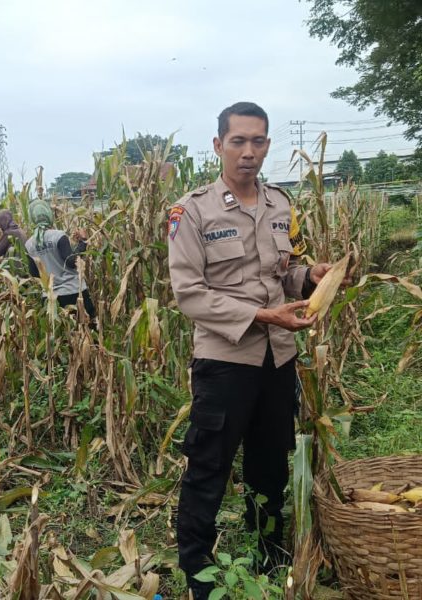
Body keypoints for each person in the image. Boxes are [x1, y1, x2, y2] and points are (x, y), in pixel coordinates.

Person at [167, 102, 333, 600]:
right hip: (225, 360)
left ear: (267, 146)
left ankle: (268, 554)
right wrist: (264, 316)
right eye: (238, 141)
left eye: (258, 141)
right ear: (218, 145)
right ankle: (198, 571)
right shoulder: (192, 211)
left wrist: (310, 277)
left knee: (270, 463)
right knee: (209, 466)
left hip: (278, 358)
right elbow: (189, 294)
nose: (248, 151)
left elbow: (283, 273)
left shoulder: (280, 204)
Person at [25, 199, 96, 321]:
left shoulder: (29, 244)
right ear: (48, 215)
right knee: (88, 326)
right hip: (73, 292)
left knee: (60, 332)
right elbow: (71, 262)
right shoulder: (58, 236)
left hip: (50, 298)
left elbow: (34, 273)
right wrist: (83, 242)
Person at [0, 210, 37, 277]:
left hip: (16, 273)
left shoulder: (9, 233)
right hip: (26, 269)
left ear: (4, 221)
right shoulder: (20, 230)